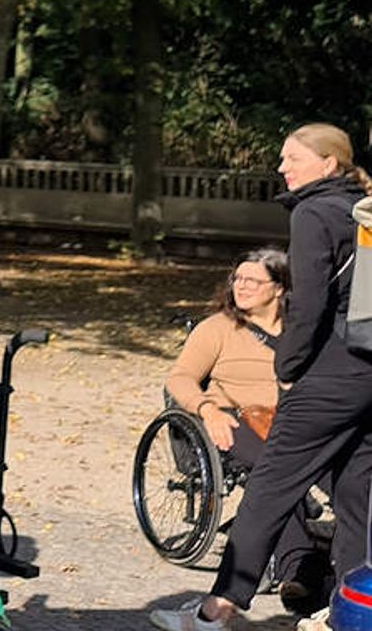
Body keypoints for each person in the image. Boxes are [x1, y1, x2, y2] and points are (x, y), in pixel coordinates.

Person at [153, 124, 372, 631]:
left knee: (269, 487)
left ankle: (218, 610)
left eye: (292, 157)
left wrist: (288, 367)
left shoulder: (315, 213)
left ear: (328, 165)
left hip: (329, 372)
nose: (282, 167)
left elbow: (310, 304)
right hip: (367, 371)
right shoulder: (357, 211)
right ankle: (350, 610)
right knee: (357, 491)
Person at [162, 248, 325, 611]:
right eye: (238, 278)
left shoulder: (302, 328)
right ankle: (299, 567)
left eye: (254, 280)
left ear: (280, 287)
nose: (242, 286)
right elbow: (180, 378)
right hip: (234, 418)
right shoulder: (217, 328)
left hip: (297, 419)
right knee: (277, 472)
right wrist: (207, 408)